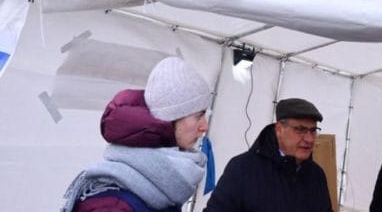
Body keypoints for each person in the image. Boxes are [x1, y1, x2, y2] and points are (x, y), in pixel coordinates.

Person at [61, 56, 213, 212]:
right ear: (171, 118)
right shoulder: (112, 206)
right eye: (198, 115)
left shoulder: (155, 188)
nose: (205, 126)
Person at [204, 98, 333, 211]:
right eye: (300, 130)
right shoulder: (242, 169)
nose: (309, 139)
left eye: (313, 130)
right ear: (279, 129)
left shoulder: (317, 175)